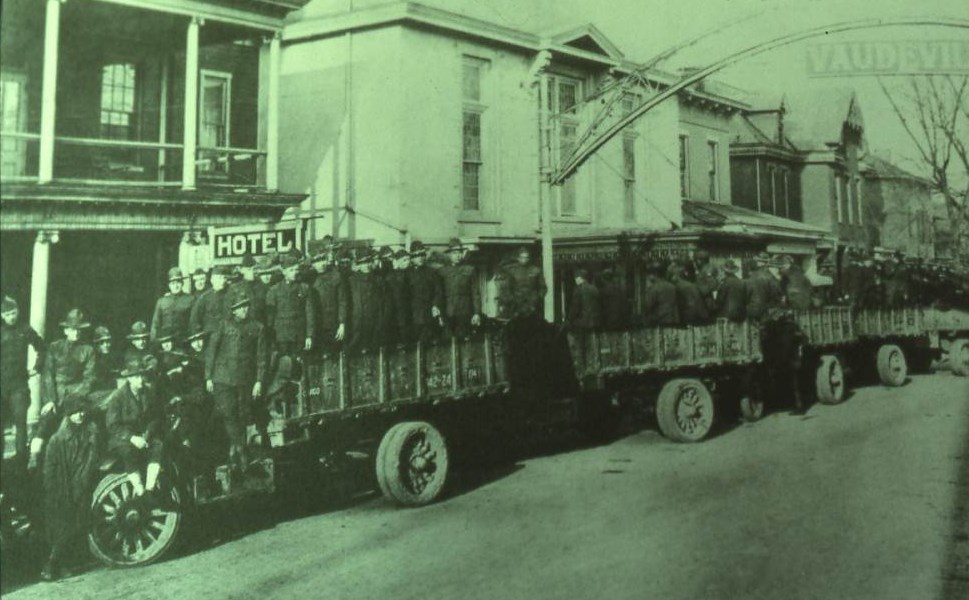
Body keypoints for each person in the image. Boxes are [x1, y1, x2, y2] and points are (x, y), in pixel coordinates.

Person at [206, 286, 269, 469]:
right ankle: (242, 453)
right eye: (240, 307)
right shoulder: (223, 325)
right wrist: (208, 376)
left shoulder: (257, 327)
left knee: (242, 415)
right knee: (228, 413)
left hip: (245, 380)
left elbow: (261, 357)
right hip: (222, 378)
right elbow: (211, 351)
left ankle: (234, 451)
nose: (244, 310)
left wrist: (259, 381)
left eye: (246, 306)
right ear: (233, 310)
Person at [40, 393, 100, 582]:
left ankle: (61, 564)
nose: (80, 415)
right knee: (63, 526)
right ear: (68, 415)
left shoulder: (92, 433)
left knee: (77, 525)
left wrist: (82, 484)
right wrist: (55, 493)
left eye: (82, 411)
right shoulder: (57, 440)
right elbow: (49, 470)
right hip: (61, 489)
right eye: (75, 412)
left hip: (81, 485)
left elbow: (92, 461)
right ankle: (52, 564)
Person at [32, 309, 96, 469]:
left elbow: (89, 378)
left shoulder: (88, 350)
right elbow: (48, 376)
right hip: (56, 394)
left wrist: (74, 398)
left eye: (79, 330)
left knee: (71, 426)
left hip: (76, 396)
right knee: (45, 423)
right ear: (66, 330)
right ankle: (33, 458)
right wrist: (50, 400)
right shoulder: (54, 348)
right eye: (73, 329)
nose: (76, 333)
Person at [105, 356, 165, 496]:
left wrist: (147, 433)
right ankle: (139, 490)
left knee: (158, 446)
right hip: (122, 437)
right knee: (128, 452)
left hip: (143, 434)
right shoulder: (118, 397)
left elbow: (154, 417)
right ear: (129, 379)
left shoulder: (148, 394)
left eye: (142, 376)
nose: (141, 380)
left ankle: (150, 490)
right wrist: (132, 438)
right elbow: (112, 425)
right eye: (137, 377)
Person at [1, 296, 45, 462]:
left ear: (18, 311)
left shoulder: (25, 330)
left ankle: (21, 462)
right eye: (7, 314)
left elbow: (41, 347)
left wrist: (36, 368)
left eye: (13, 312)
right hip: (1, 386)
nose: (11, 317)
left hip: (19, 386)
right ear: (2, 316)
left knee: (20, 425)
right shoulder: (1, 332)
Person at [266, 254, 315, 355]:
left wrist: (309, 335)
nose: (295, 273)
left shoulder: (304, 288)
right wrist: (271, 340)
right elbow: (270, 318)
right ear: (284, 272)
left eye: (296, 270)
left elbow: (309, 313)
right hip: (281, 337)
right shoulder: (274, 290)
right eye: (291, 270)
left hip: (299, 335)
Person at [439, 238, 482, 338]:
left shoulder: (470, 270)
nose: (457, 255)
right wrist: (440, 315)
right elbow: (439, 294)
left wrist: (477, 313)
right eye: (454, 253)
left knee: (464, 341)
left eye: (460, 252)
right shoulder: (442, 271)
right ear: (449, 254)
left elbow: (475, 293)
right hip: (447, 312)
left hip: (465, 312)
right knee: (447, 342)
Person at [311, 250, 348, 352]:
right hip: (315, 324)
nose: (322, 264)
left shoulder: (336, 276)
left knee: (333, 353)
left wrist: (342, 324)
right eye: (317, 261)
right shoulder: (308, 278)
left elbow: (342, 301)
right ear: (312, 263)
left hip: (332, 323)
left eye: (323, 259)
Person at [407, 241, 445, 341]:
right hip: (412, 316)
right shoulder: (407, 274)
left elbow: (438, 291)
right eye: (417, 255)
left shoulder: (432, 273)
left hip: (429, 315)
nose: (420, 258)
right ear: (411, 257)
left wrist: (435, 305)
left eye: (422, 255)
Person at [499, 246, 547, 320]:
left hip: (533, 306)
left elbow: (543, 288)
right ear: (518, 258)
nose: (524, 259)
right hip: (517, 306)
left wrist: (536, 298)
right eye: (522, 257)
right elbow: (507, 289)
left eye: (526, 257)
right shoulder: (513, 271)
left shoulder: (536, 270)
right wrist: (514, 300)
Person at [347, 250, 381, 351]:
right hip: (357, 322)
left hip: (374, 323)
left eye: (368, 262)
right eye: (362, 263)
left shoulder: (378, 280)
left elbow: (382, 303)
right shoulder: (351, 280)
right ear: (358, 265)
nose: (366, 265)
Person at [151, 267, 194, 342]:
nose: (176, 286)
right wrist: (154, 342)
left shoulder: (190, 300)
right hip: (165, 343)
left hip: (183, 342)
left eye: (178, 282)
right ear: (169, 285)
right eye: (173, 283)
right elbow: (155, 325)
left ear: (182, 283)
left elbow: (193, 323)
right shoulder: (161, 302)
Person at [190, 265, 231, 337]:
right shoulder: (204, 298)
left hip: (227, 335)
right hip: (210, 337)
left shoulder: (230, 295)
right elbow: (195, 320)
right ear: (212, 280)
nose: (221, 281)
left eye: (223, 278)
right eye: (218, 278)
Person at [89, 325, 122, 411]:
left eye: (108, 342)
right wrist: (116, 383)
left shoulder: (113, 358)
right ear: (96, 345)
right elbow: (95, 381)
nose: (106, 345)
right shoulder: (93, 360)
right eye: (102, 343)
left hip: (111, 392)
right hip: (98, 395)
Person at [385, 249, 413, 345]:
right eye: (405, 260)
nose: (408, 262)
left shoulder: (411, 273)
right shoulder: (391, 276)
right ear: (397, 261)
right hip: (397, 311)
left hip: (409, 310)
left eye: (409, 259)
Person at [744, 253, 782, 320]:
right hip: (765, 311)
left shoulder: (751, 276)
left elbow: (746, 293)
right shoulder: (770, 277)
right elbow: (777, 295)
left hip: (750, 310)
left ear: (758, 263)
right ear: (767, 263)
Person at [641, 261, 679, 326]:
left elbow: (647, 306)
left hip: (659, 322)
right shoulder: (673, 287)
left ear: (655, 274)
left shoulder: (654, 288)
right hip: (673, 321)